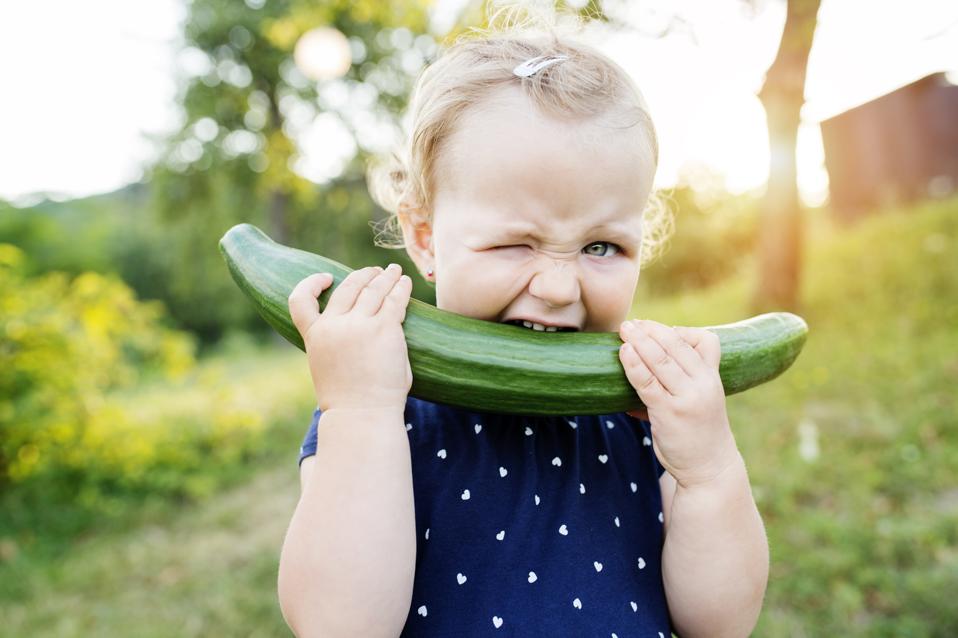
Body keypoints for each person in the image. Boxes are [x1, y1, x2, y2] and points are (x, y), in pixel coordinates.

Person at [278, 7, 768, 637]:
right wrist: (359, 410)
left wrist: (707, 472)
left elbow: (720, 623)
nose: (560, 288)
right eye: (516, 243)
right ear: (425, 239)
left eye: (602, 247)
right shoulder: (378, 408)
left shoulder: (641, 419)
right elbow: (339, 625)